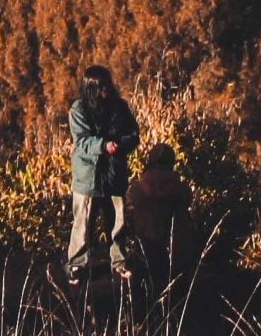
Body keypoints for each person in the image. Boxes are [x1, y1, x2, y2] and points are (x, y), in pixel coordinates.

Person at [66, 63, 140, 279]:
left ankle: (119, 261)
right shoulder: (78, 109)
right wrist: (104, 146)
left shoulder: (119, 107)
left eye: (106, 84)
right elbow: (81, 141)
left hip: (113, 173)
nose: (104, 90)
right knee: (83, 223)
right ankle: (76, 265)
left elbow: (133, 134)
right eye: (100, 87)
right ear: (90, 88)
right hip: (88, 176)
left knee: (117, 221)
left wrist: (120, 146)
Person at [128, 141, 195, 296]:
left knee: (141, 293)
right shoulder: (181, 188)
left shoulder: (138, 189)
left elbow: (133, 209)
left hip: (146, 249)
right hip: (175, 252)